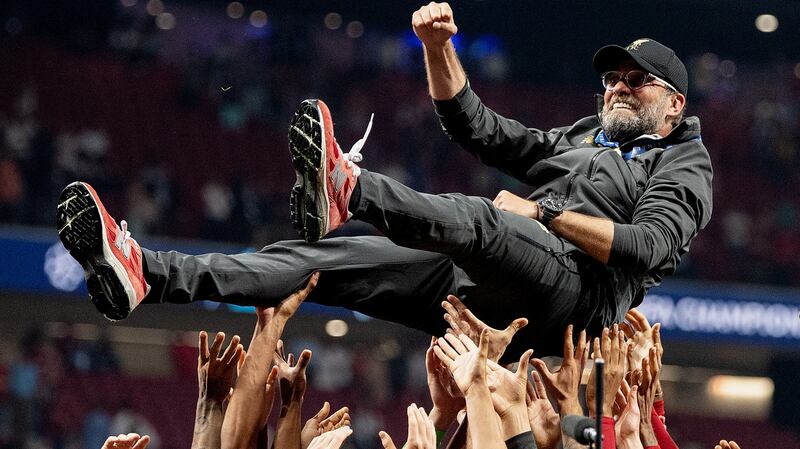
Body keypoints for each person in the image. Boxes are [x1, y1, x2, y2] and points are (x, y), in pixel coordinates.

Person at [55, 2, 711, 359]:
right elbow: (478, 128)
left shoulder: (683, 162)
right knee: (321, 260)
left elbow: (644, 247)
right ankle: (148, 272)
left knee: (486, 221)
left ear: (674, 104)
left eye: (636, 80)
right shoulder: (579, 138)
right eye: (612, 79)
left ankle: (351, 189)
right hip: (493, 280)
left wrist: (543, 218)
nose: (619, 88)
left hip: (568, 303)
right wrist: (437, 50)